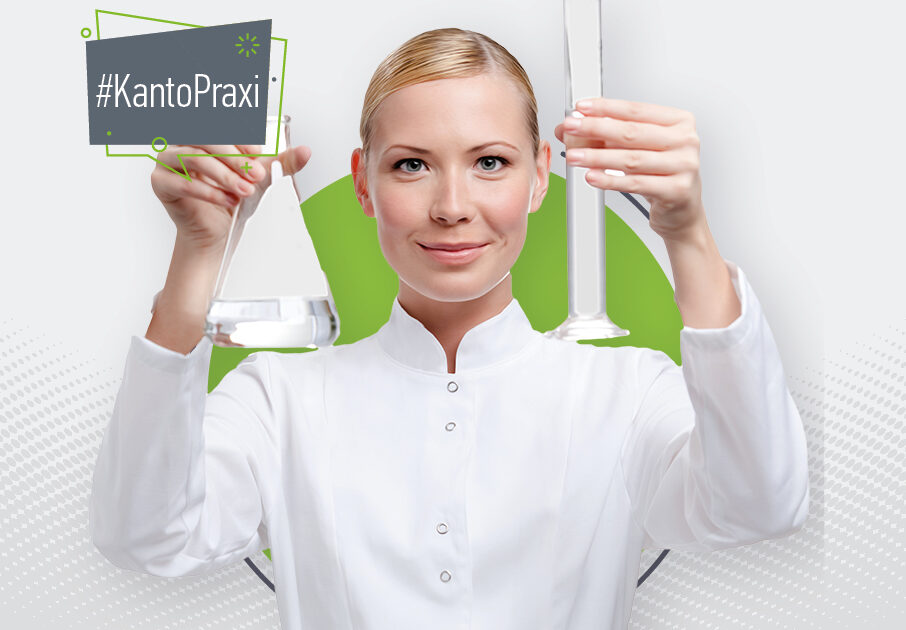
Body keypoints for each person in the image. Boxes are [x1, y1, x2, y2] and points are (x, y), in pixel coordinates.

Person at [89, 27, 810, 630]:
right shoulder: (279, 400)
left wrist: (687, 234)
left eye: (490, 162)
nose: (452, 205)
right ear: (364, 184)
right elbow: (146, 534)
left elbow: (758, 505)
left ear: (539, 177)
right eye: (412, 165)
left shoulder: (624, 392)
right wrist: (199, 254)